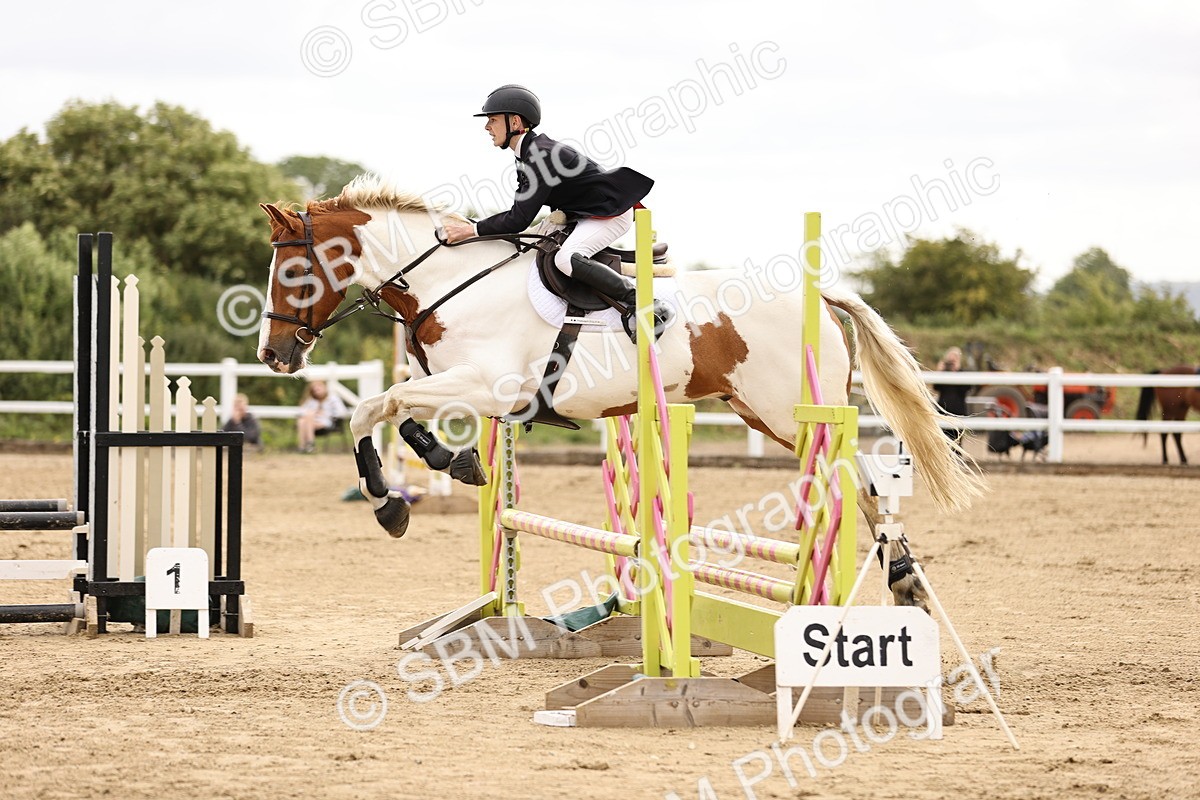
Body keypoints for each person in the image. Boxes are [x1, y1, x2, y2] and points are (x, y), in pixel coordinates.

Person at [441, 84, 674, 342]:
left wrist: (470, 230)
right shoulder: (527, 153)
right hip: (584, 213)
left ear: (515, 122)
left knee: (566, 258)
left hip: (609, 214)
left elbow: (518, 219)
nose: (487, 127)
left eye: (493, 120)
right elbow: (521, 210)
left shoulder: (541, 155)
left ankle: (647, 305)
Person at [296, 380, 347, 453]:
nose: (317, 392)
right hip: (312, 422)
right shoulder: (312, 400)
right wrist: (315, 412)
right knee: (302, 420)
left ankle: (305, 446)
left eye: (319, 389)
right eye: (315, 390)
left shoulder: (333, 399)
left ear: (324, 387)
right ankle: (307, 446)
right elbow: (300, 411)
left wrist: (327, 414)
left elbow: (342, 412)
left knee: (307, 418)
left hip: (327, 422)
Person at [933, 347, 971, 441]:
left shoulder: (963, 373)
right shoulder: (943, 373)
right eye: (950, 361)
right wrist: (939, 372)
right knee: (942, 440)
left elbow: (967, 388)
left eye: (954, 360)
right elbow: (936, 387)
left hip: (958, 410)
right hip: (943, 409)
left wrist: (957, 371)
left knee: (957, 440)